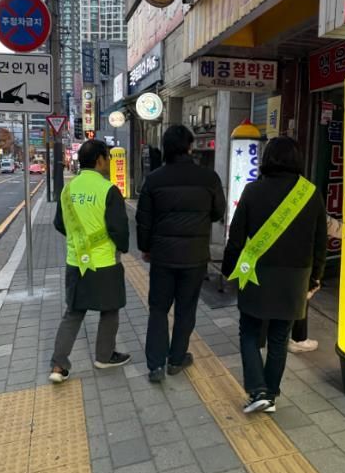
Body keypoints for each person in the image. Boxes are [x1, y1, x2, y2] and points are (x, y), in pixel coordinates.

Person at [222, 137, 327, 413]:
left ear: (267, 159)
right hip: (295, 278)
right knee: (280, 337)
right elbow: (320, 241)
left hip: (256, 275)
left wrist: (228, 270)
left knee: (249, 332)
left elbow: (236, 237)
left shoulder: (253, 190)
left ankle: (258, 390)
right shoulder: (310, 193)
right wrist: (315, 277)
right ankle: (270, 395)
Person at [136, 125, 226, 383]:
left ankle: (155, 366)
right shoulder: (209, 178)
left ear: (165, 148)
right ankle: (176, 359)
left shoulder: (154, 179)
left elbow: (143, 220)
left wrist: (145, 248)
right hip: (195, 258)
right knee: (186, 309)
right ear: (189, 146)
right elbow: (218, 212)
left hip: (162, 257)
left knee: (158, 309)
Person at [49, 139, 131, 383]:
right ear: (99, 160)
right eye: (107, 156)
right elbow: (119, 229)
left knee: (74, 312)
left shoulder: (68, 190)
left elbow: (59, 223)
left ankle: (58, 366)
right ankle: (104, 356)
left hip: (76, 262)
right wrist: (123, 247)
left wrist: (78, 241)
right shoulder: (108, 189)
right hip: (104, 262)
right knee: (110, 309)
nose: (108, 161)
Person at [288, 215, 343, 353]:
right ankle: (298, 339)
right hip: (301, 262)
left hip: (276, 261)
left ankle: (264, 339)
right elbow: (332, 227)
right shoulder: (310, 203)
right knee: (301, 298)